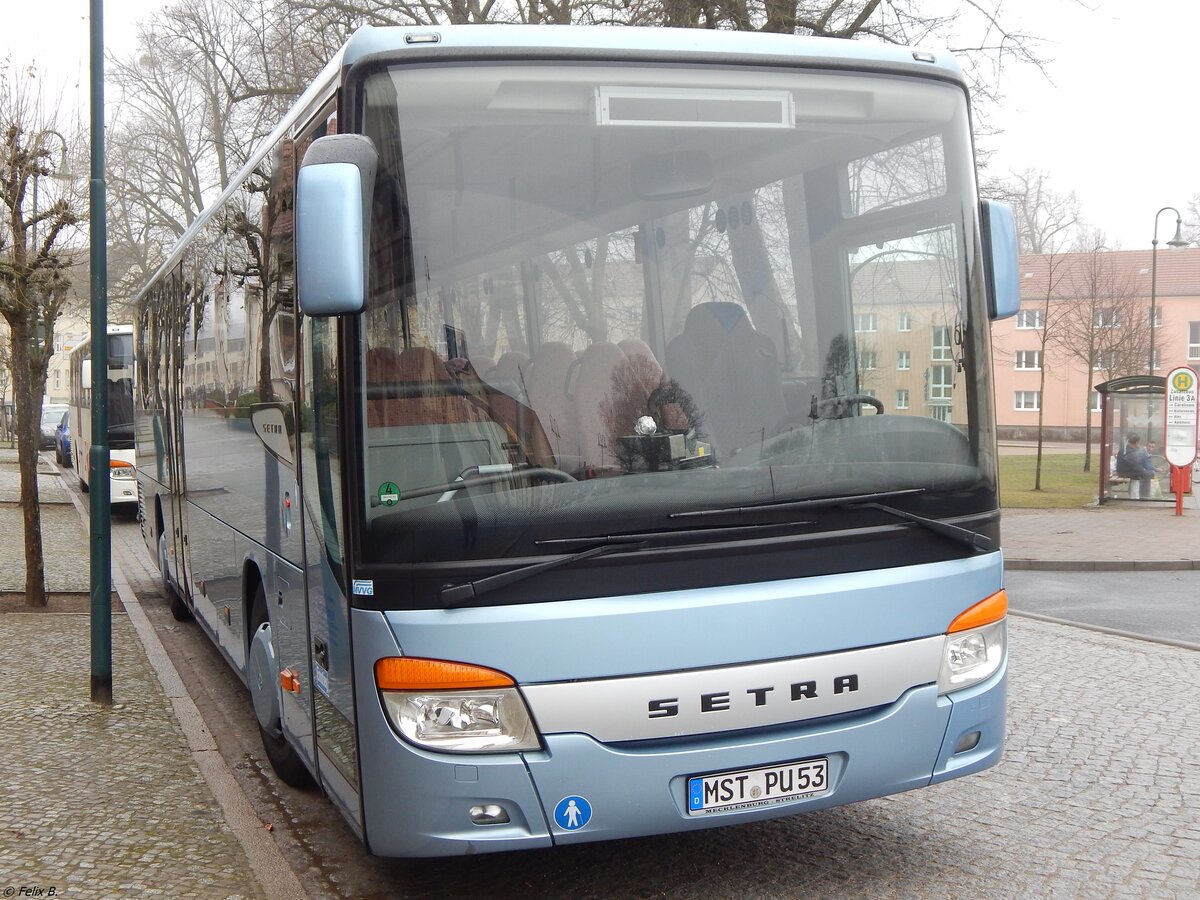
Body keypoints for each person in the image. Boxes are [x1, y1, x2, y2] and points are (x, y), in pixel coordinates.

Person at [1116, 433, 1155, 499]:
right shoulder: (1130, 451)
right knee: (1145, 474)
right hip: (1124, 472)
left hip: (1124, 470)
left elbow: (1135, 464)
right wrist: (1144, 471)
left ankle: (1137, 495)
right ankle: (1138, 496)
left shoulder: (1127, 449)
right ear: (1137, 442)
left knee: (1144, 473)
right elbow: (1135, 466)